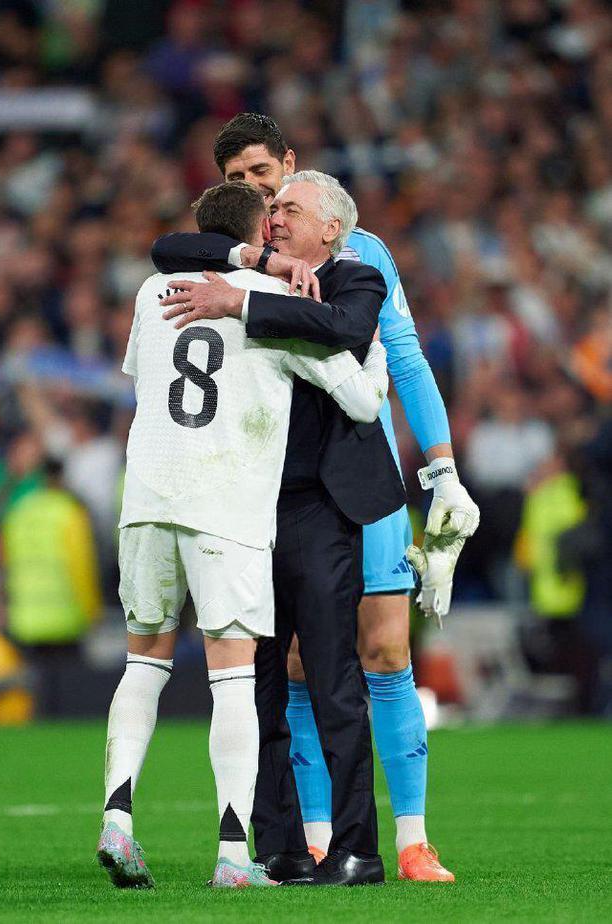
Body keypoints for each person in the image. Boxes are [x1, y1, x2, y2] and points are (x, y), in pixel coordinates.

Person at [153, 113, 479, 883]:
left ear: (290, 166)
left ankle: (411, 838)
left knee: (384, 650)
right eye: (236, 181)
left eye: (262, 175)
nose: (254, 191)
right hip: (274, 480)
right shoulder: (235, 256)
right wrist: (254, 262)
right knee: (295, 664)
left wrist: (441, 470)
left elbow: (403, 357)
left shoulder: (359, 254)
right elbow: (170, 251)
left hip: (356, 477)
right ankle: (318, 835)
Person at [96, 180, 392, 889]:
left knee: (144, 662)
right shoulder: (276, 304)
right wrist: (376, 355)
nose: (279, 221)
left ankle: (117, 817)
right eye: (274, 213)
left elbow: (141, 372)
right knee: (234, 677)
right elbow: (361, 400)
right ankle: (235, 853)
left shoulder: (151, 292)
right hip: (226, 507)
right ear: (258, 233)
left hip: (147, 499)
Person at [2, 456, 102, 717]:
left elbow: (9, 561)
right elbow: (81, 565)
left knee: (38, 689)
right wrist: (92, 609)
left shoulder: (19, 512)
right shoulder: (68, 512)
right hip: (64, 613)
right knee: (69, 695)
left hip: (27, 614)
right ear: (61, 477)